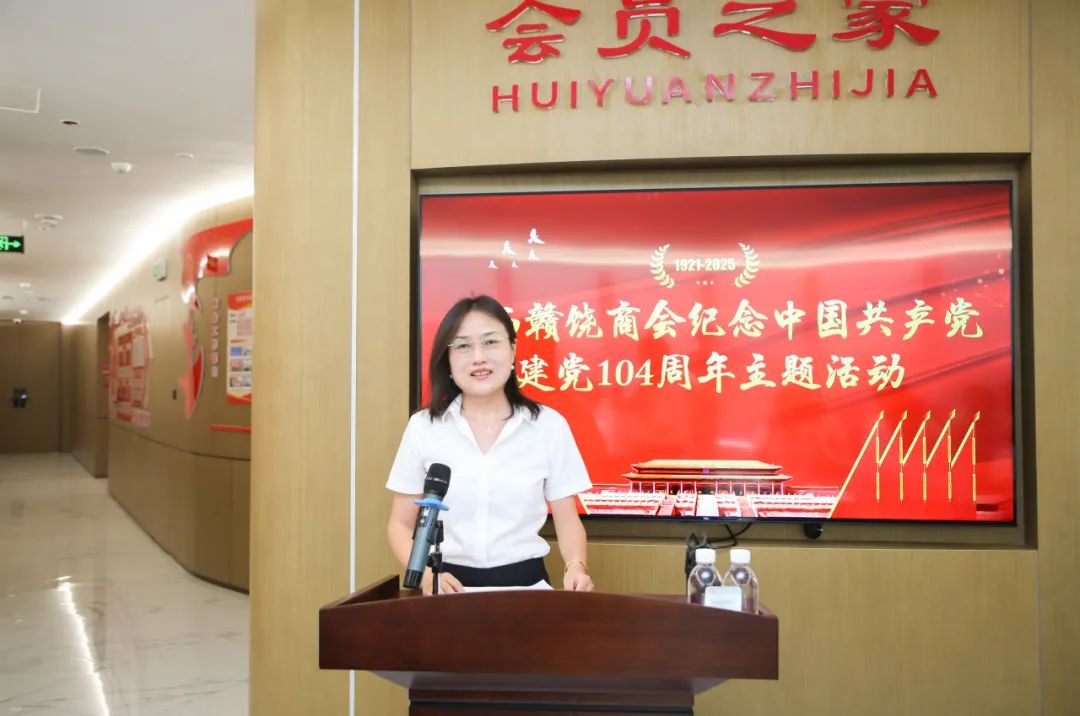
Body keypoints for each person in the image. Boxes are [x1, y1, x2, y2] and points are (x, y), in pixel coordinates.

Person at [386, 295, 594, 595]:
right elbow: (400, 524)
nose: (478, 357)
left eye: (491, 342)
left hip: (527, 588)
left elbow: (566, 518)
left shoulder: (548, 426)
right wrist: (427, 576)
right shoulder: (424, 428)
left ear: (513, 350)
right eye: (463, 346)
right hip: (447, 589)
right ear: (448, 360)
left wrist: (576, 566)